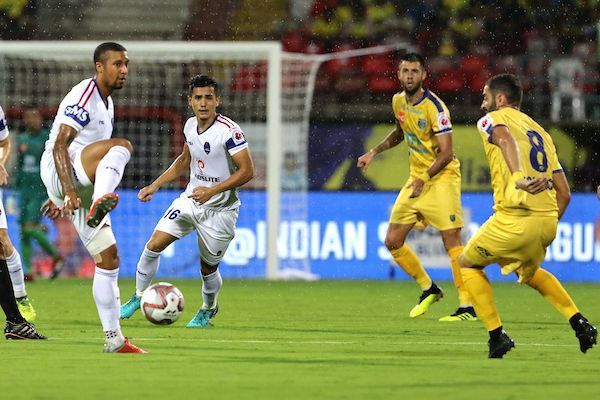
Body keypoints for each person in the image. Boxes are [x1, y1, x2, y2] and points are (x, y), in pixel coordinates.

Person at [460, 73, 597, 358]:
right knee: (530, 273)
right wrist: (544, 225)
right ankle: (580, 322)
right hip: (547, 220)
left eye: (486, 96)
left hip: (515, 217)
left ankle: (497, 336)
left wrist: (519, 177)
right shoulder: (542, 133)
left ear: (500, 99)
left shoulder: (490, 120)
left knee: (467, 264)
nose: (483, 103)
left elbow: (505, 139)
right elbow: (565, 193)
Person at [119, 75, 254, 327]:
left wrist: (212, 191)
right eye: (198, 98)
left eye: (209, 98)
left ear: (218, 100)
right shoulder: (190, 125)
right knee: (154, 244)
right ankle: (138, 296)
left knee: (208, 269)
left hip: (221, 211)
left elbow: (247, 171)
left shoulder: (230, 132)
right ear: (190, 101)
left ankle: (208, 307)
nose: (203, 103)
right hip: (191, 201)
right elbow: (184, 160)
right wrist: (155, 185)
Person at [39, 42, 145, 353]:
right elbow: (60, 144)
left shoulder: (108, 103)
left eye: (126, 64)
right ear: (99, 67)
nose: (124, 70)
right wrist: (66, 190)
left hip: (74, 183)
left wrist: (60, 197)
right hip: (64, 173)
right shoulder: (85, 95)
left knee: (108, 259)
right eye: (117, 64)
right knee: (122, 146)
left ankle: (114, 340)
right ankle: (101, 198)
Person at [357, 53, 476, 321]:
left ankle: (467, 306)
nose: (409, 75)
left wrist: (424, 177)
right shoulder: (397, 101)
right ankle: (429, 288)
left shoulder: (435, 107)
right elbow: (401, 131)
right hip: (417, 179)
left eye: (414, 71)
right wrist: (374, 151)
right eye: (405, 71)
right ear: (398, 75)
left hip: (442, 177)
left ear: (424, 75)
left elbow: (446, 153)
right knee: (393, 240)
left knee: (451, 240)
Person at [0, 105, 45, 339]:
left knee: (3, 243)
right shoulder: (27, 137)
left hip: (36, 190)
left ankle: (19, 302)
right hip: (24, 190)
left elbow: (5, 143)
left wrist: (0, 163)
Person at [16, 106, 63, 279]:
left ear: (40, 119)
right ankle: (27, 271)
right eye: (28, 116)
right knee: (23, 230)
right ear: (24, 120)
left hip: (40, 190)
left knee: (28, 228)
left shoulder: (47, 139)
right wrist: (14, 192)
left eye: (35, 116)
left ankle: (56, 256)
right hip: (24, 191)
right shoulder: (21, 139)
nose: (32, 120)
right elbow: (19, 168)